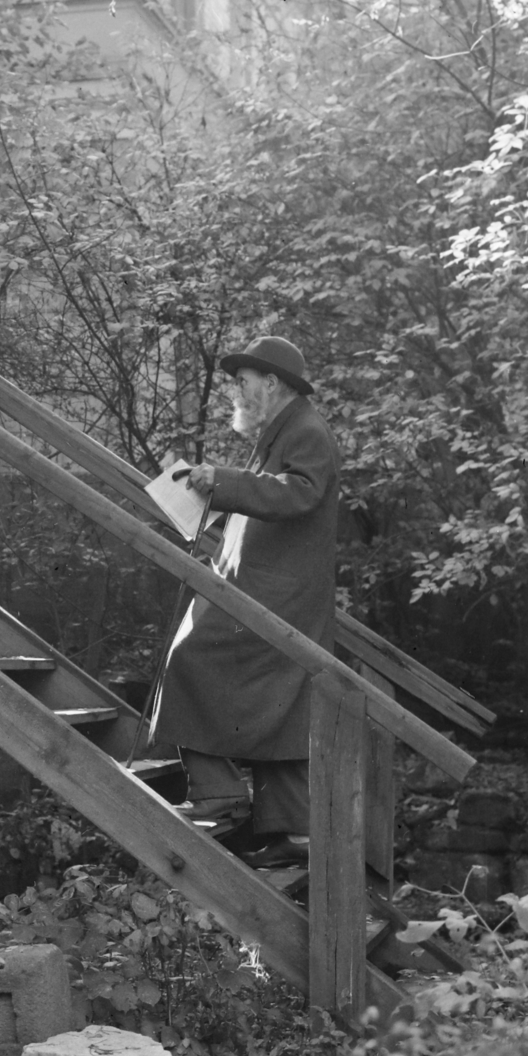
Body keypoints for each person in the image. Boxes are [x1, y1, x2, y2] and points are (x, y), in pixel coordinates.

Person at [148, 336, 340, 867]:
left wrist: (225, 481)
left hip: (278, 600)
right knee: (278, 709)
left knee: (190, 657)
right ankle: (295, 835)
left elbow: (298, 493)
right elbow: (267, 496)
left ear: (272, 383)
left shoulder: (305, 429)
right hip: (269, 592)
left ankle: (219, 795)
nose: (238, 388)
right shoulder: (283, 429)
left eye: (244, 379)